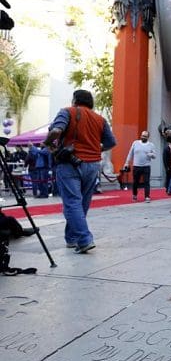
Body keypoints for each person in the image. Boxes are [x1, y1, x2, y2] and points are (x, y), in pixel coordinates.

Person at [43, 89, 116, 253]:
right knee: (81, 203)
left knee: (72, 202)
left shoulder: (67, 112)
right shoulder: (100, 119)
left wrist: (46, 142)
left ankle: (84, 239)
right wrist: (96, 148)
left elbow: (56, 131)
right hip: (92, 165)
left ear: (75, 100)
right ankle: (71, 238)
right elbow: (111, 142)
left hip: (70, 163)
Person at [123, 130, 156, 203]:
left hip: (146, 166)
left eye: (145, 136)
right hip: (136, 166)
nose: (143, 137)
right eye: (142, 135)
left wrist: (151, 155)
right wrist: (127, 163)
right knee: (135, 182)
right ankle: (134, 195)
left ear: (148, 137)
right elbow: (130, 153)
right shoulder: (135, 143)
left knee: (146, 182)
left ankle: (147, 196)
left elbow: (154, 156)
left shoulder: (151, 145)